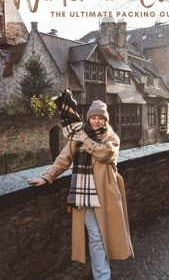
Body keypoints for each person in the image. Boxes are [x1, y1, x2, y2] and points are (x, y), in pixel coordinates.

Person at [27, 99, 134, 280]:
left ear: (106, 120)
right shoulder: (78, 136)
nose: (97, 121)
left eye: (101, 118)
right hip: (83, 194)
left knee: (105, 234)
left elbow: (106, 154)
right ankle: (102, 275)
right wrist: (47, 176)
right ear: (89, 118)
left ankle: (103, 270)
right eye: (94, 117)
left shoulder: (111, 138)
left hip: (106, 194)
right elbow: (64, 158)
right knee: (95, 235)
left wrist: (86, 140)